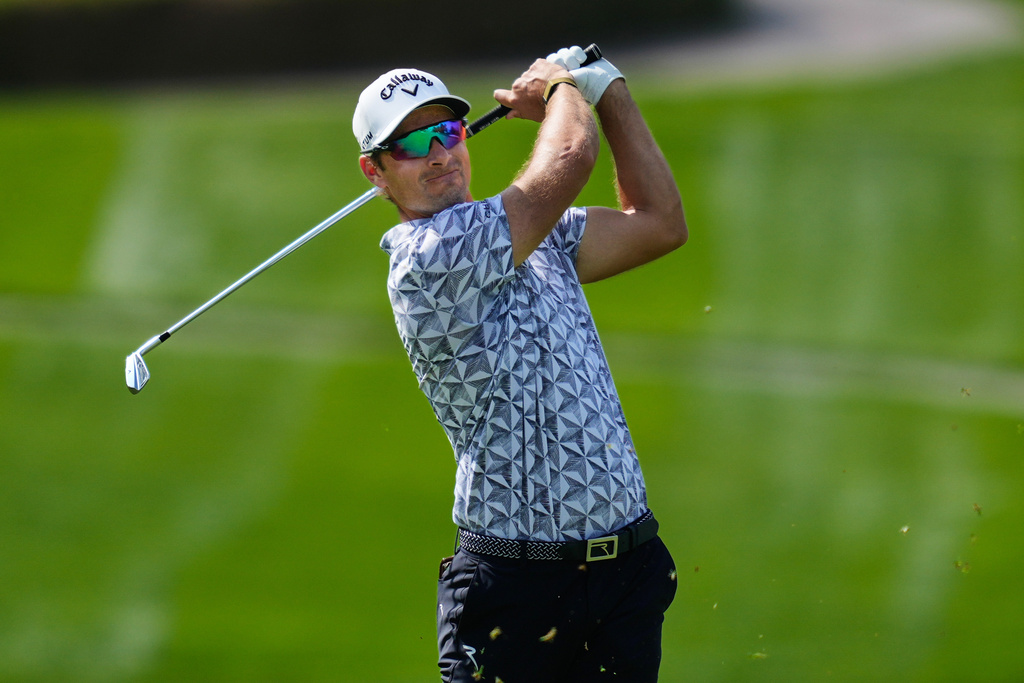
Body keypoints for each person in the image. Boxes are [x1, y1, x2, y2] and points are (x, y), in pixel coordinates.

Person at [352, 45, 687, 682]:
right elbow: (568, 159)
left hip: (625, 575)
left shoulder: (542, 239)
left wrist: (607, 87)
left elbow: (661, 223)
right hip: (518, 588)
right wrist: (562, 87)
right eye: (411, 143)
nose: (440, 153)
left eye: (447, 130)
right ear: (375, 172)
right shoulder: (428, 258)